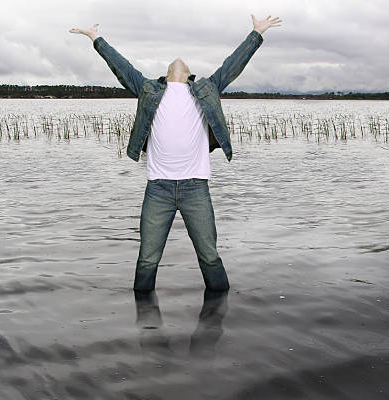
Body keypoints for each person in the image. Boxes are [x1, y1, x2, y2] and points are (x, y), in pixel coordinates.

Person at [70, 15, 282, 292]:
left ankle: (219, 313)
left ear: (189, 74)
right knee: (147, 259)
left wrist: (256, 34)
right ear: (168, 73)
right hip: (158, 189)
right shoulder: (148, 89)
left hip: (196, 188)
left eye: (184, 63)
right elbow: (121, 67)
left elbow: (233, 65)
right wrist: (95, 38)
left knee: (209, 256)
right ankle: (144, 324)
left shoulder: (206, 89)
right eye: (173, 62)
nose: (178, 59)